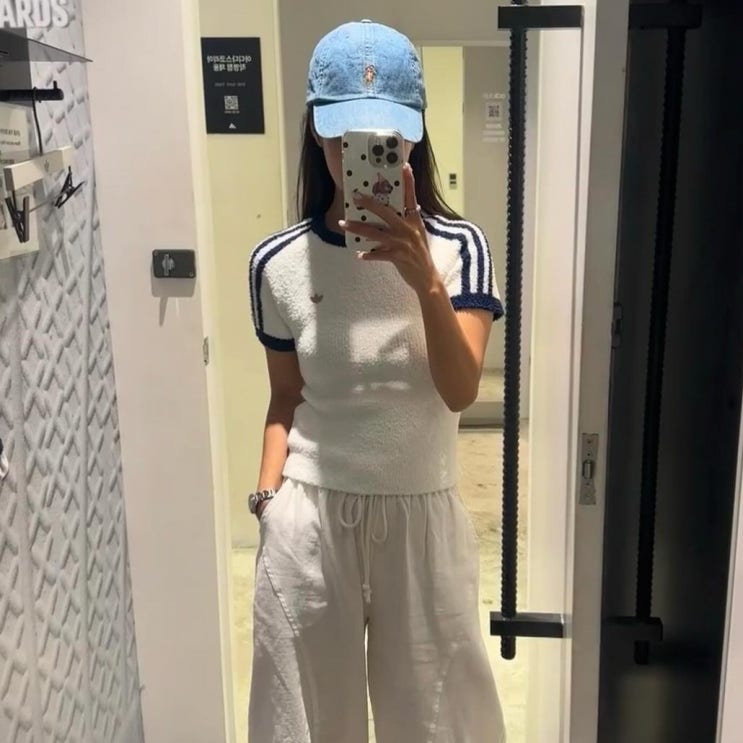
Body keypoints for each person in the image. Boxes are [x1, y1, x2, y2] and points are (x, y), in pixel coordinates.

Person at [247, 19, 507, 743]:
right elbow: (285, 397)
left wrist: (424, 280)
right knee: (303, 722)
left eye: (383, 138)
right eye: (343, 136)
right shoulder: (277, 263)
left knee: (440, 722)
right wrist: (268, 503)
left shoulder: (461, 249)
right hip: (309, 519)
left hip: (422, 515)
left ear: (412, 139)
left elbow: (459, 390)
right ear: (316, 131)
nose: (358, 152)